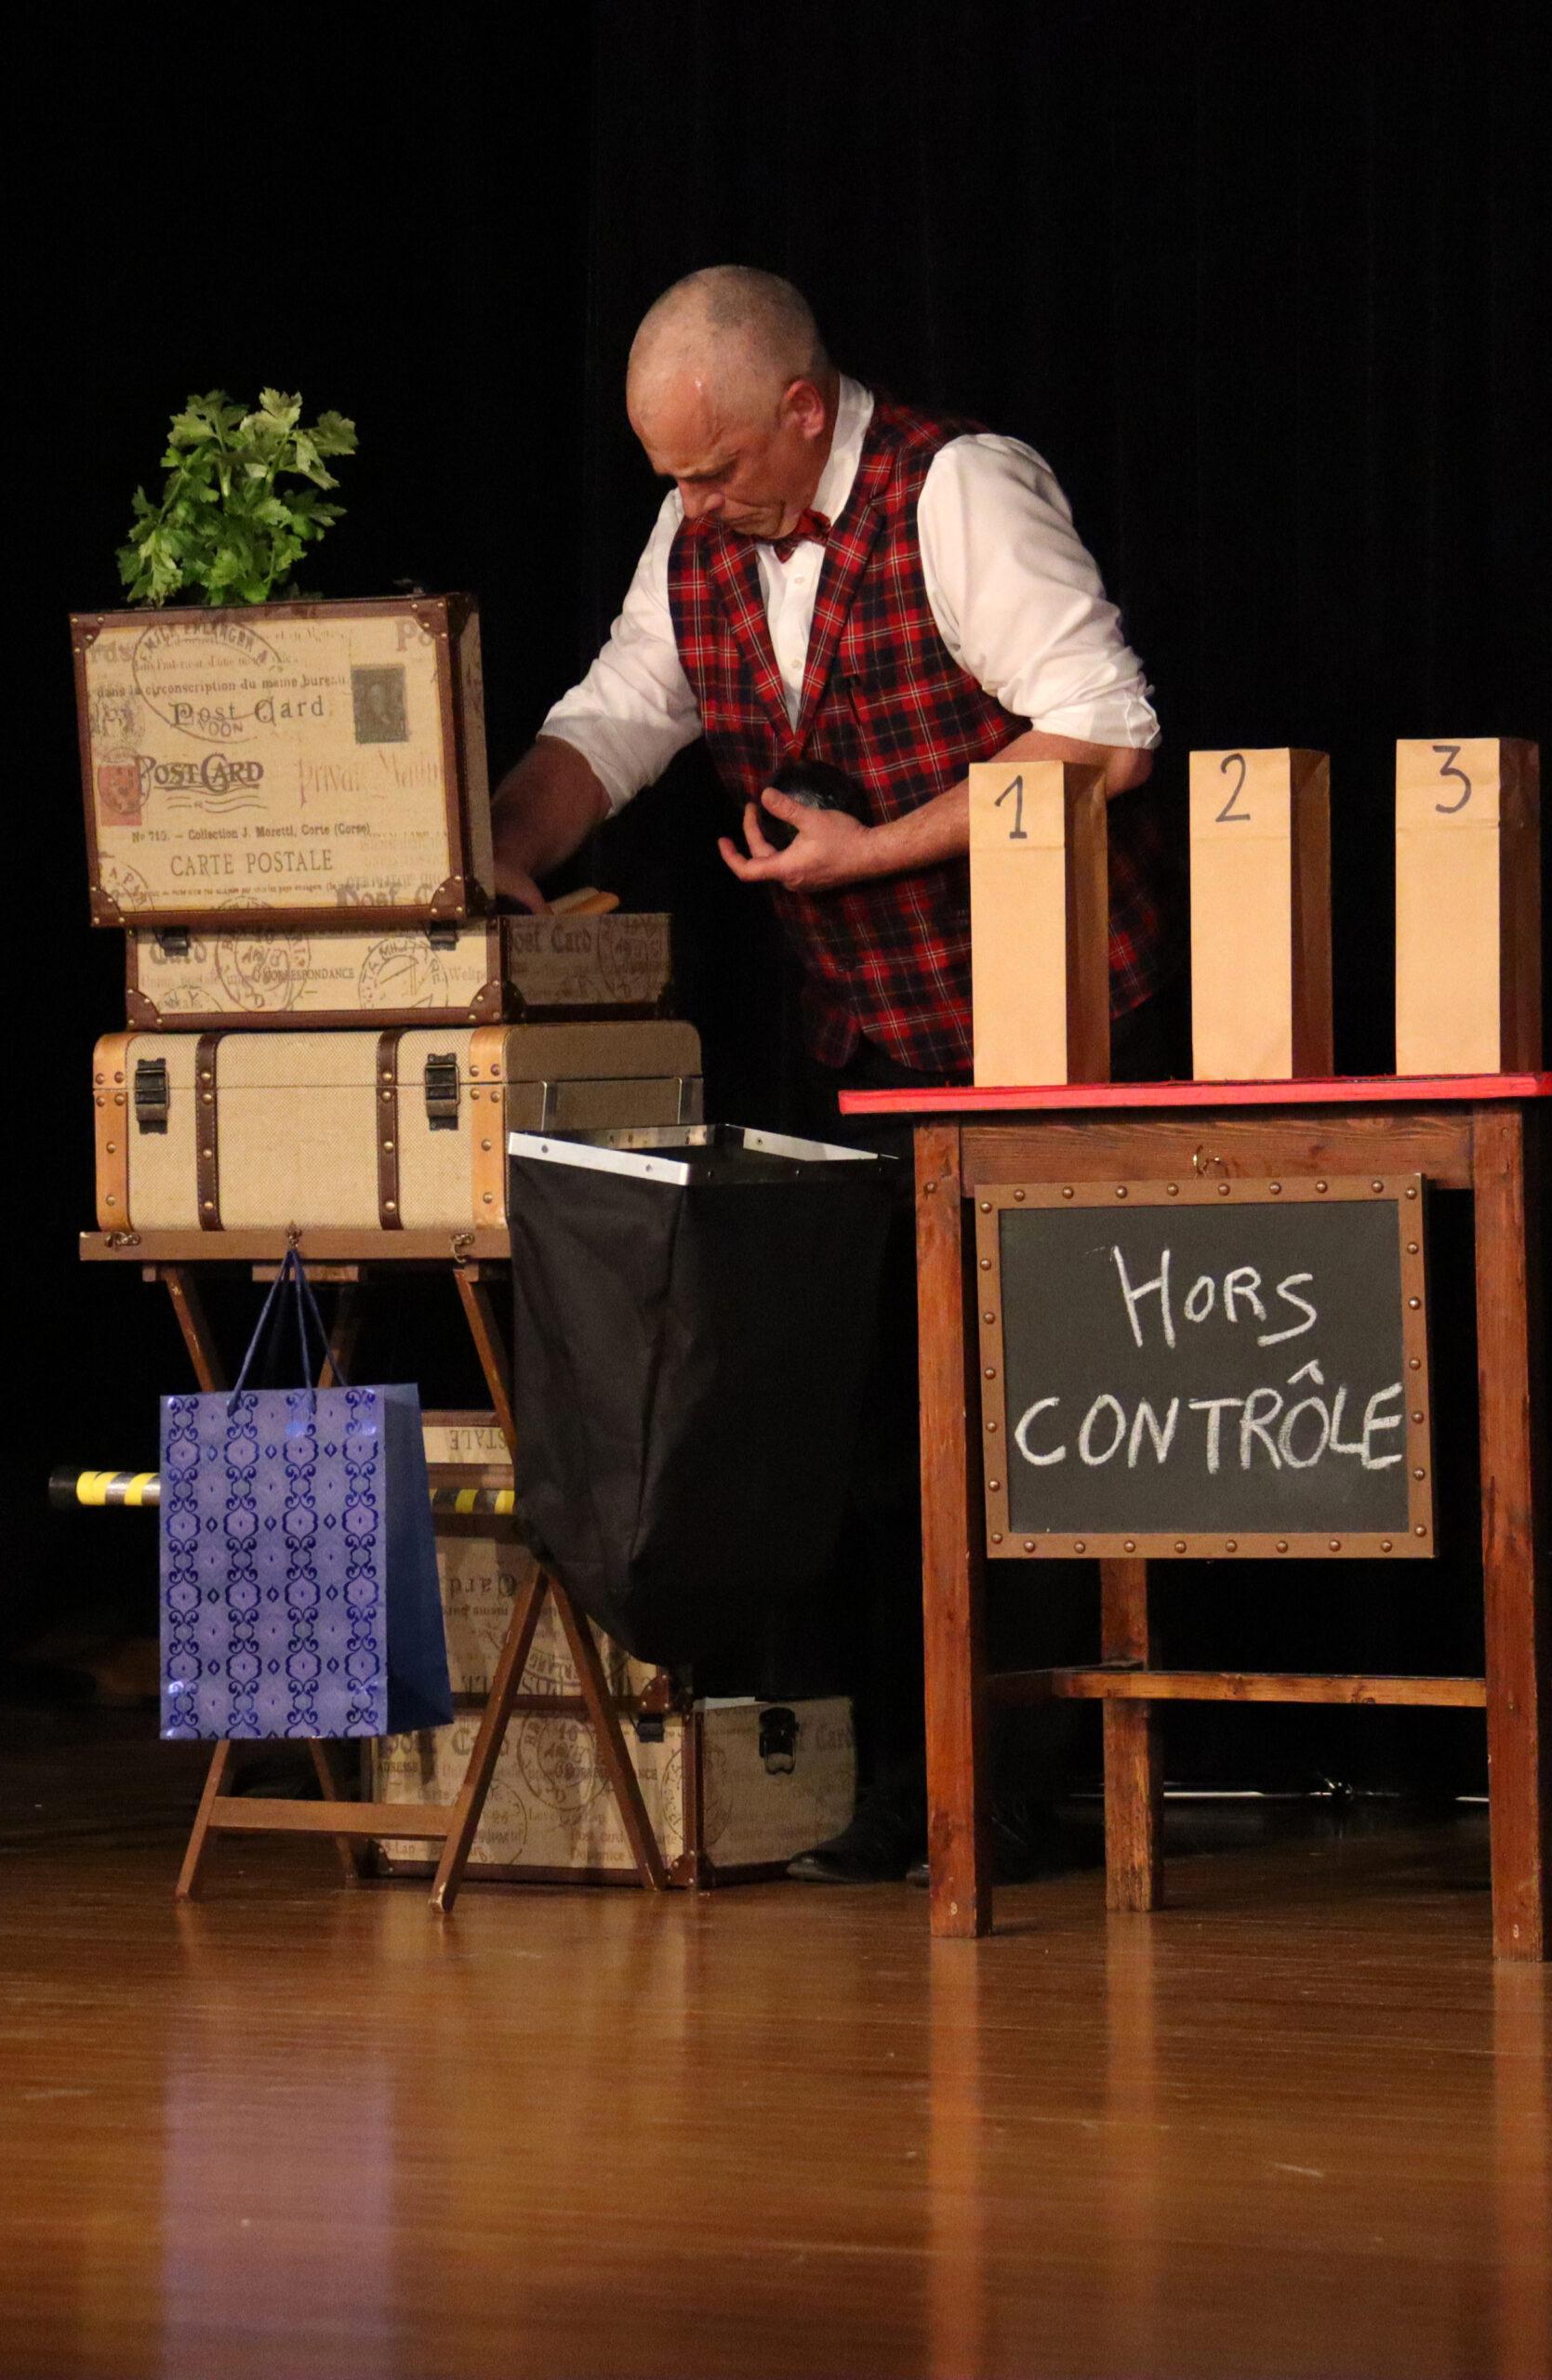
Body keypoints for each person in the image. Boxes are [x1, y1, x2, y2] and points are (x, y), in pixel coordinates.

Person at [491, 266, 1181, 1880]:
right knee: (873, 1417)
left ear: (803, 409)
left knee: (1042, 1423)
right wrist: (512, 842)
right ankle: (914, 1789)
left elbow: (1107, 727)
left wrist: (881, 843)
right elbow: (620, 712)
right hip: (873, 1040)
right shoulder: (704, 525)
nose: (694, 502)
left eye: (715, 468)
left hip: (1060, 1027)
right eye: (671, 475)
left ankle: (1026, 1789)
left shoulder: (962, 492)